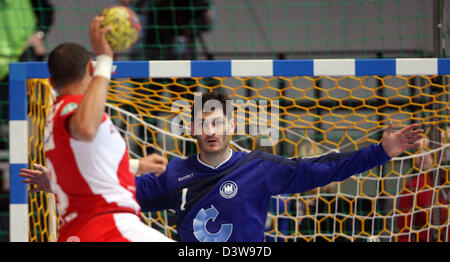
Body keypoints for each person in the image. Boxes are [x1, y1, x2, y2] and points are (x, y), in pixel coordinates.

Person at [23, 92, 424, 242]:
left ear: (232, 126)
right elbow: (117, 196)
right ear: (193, 128)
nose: (211, 129)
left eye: (218, 121)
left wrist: (381, 152)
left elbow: (322, 169)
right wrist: (59, 184)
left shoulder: (261, 167)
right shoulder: (174, 173)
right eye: (204, 122)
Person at [19, 16, 174, 242]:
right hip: (108, 225)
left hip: (83, 228)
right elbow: (86, 128)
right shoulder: (73, 109)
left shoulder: (57, 115)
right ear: (90, 68)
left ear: (51, 83)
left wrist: (139, 165)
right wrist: (105, 59)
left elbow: (88, 163)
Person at [396, 127, 449, 242]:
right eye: (418, 150)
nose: (422, 156)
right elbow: (404, 234)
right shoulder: (413, 187)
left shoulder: (444, 182)